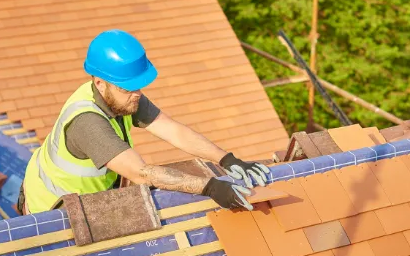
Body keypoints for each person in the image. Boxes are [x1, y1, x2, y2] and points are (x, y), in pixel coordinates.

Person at [18, 29, 270, 215]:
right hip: (52, 208)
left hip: (84, 194)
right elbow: (141, 173)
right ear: (99, 83)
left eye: (137, 86)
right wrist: (211, 187)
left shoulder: (123, 97)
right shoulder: (87, 123)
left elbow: (173, 131)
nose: (137, 93)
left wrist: (227, 159)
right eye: (128, 88)